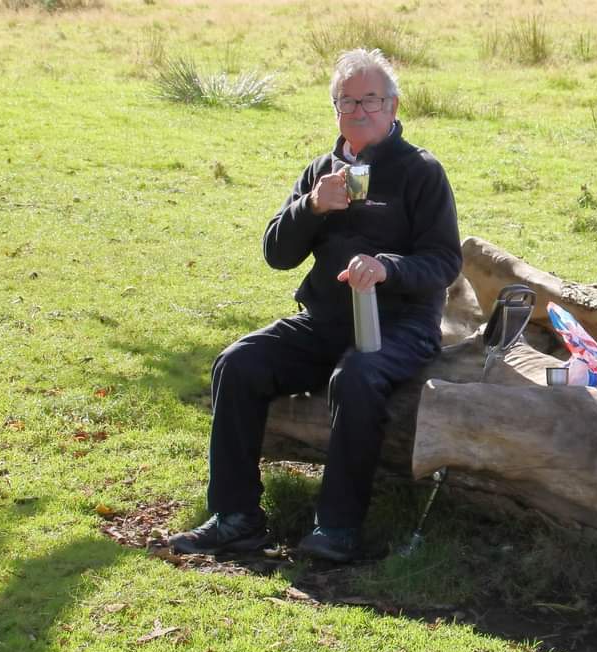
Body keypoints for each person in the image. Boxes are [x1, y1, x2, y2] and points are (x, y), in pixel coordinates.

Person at [170, 48, 462, 562]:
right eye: (346, 102)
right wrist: (310, 208)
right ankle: (235, 517)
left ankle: (337, 528)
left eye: (370, 101)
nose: (359, 112)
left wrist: (387, 267)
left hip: (400, 325)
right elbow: (276, 254)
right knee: (238, 363)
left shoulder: (421, 171)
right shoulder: (321, 173)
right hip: (324, 321)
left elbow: (443, 261)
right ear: (335, 111)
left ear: (393, 107)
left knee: (355, 379)